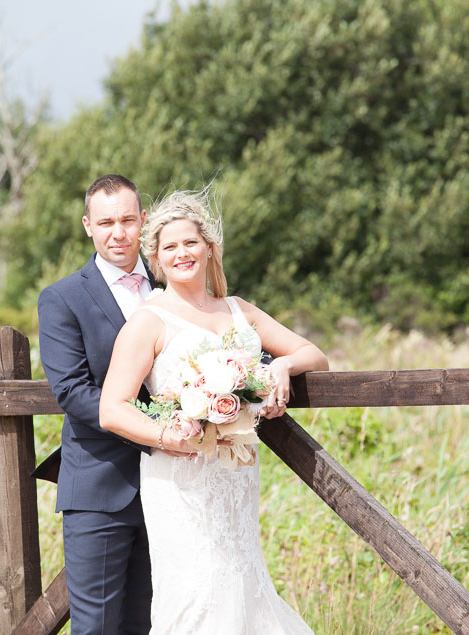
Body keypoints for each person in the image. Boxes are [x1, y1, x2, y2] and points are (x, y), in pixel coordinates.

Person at [99, 189, 329, 633]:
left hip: (236, 472)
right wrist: (170, 437)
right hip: (180, 478)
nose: (182, 253)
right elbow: (112, 409)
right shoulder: (148, 321)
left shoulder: (239, 311)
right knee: (196, 594)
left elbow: (314, 354)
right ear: (157, 260)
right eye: (170, 247)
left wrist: (280, 364)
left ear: (208, 248)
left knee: (242, 580)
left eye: (190, 243)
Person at [36, 174, 179, 634]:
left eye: (127, 220)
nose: (118, 233)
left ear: (143, 221)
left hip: (176, 485)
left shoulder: (175, 284)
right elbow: (73, 392)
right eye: (105, 222)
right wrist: (164, 425)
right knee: (97, 627)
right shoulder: (62, 298)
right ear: (88, 226)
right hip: (100, 487)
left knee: (156, 622)